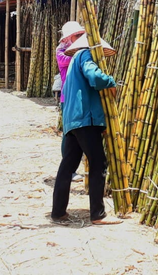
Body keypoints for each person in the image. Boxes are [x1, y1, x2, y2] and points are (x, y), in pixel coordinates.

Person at [51, 32, 121, 225]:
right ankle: (98, 215)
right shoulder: (85, 55)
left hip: (71, 118)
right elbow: (95, 78)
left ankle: (58, 212)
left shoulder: (73, 60)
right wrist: (111, 82)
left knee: (68, 166)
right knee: (99, 163)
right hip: (85, 118)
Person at [56, 21, 86, 183]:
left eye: (82, 35)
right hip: (68, 99)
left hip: (82, 98)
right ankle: (69, 170)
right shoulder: (62, 52)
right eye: (77, 36)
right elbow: (70, 59)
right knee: (69, 134)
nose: (81, 38)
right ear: (68, 38)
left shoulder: (82, 52)